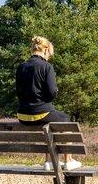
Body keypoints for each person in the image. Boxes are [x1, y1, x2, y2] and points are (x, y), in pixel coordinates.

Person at [16, 36, 81, 171]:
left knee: (49, 123)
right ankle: (68, 160)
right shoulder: (46, 67)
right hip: (41, 113)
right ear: (45, 51)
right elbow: (52, 93)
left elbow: (19, 92)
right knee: (65, 120)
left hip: (22, 115)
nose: (49, 57)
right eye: (49, 55)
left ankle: (48, 162)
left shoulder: (21, 67)